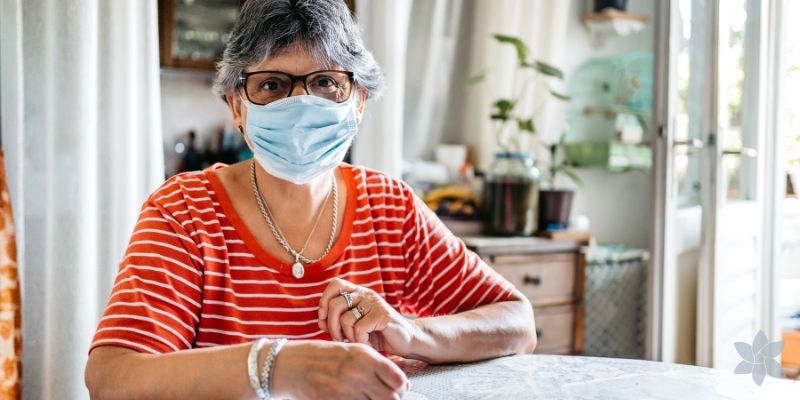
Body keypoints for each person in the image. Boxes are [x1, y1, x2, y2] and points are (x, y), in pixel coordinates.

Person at [84, 1, 537, 399]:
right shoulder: (184, 212)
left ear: (358, 100)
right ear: (236, 107)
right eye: (272, 85)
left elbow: (517, 323)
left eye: (325, 82)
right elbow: (113, 377)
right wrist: (279, 367)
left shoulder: (391, 207)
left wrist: (412, 332)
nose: (301, 103)